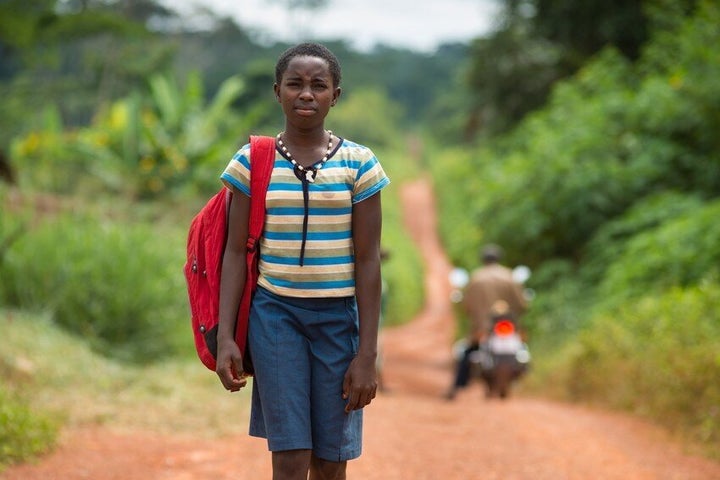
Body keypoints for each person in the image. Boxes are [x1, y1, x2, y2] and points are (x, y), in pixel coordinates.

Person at [216, 42, 390, 480]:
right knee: (291, 456)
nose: (306, 94)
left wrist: (367, 355)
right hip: (276, 317)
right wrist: (225, 339)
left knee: (331, 462)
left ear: (336, 95)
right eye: (295, 84)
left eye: (319, 85)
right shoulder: (251, 163)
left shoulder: (360, 164)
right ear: (278, 92)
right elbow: (235, 252)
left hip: (339, 320)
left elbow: (369, 263)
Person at [445, 244, 527, 400]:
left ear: (483, 259)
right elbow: (522, 304)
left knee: (465, 355)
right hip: (508, 326)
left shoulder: (476, 278)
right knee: (523, 347)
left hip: (483, 328)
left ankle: (455, 388)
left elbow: (467, 306)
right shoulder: (510, 277)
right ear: (499, 258)